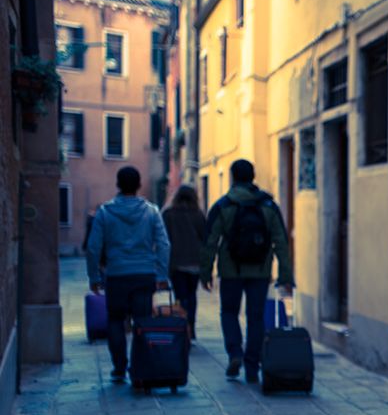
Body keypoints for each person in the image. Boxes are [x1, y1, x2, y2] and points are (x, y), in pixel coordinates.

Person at [200, 159, 293, 383]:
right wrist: (285, 275)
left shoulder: (223, 205)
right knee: (256, 317)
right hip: (260, 271)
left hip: (230, 271)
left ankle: (235, 353)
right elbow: (281, 241)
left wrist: (205, 273)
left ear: (232, 177)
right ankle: (252, 366)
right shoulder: (269, 206)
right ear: (253, 177)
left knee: (229, 313)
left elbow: (210, 241)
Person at [86, 166, 171, 382]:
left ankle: (119, 368)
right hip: (144, 275)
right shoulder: (151, 211)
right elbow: (164, 244)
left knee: (115, 321)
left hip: (116, 275)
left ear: (118, 184)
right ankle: (139, 365)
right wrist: (161, 275)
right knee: (142, 322)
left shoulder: (105, 212)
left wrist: (94, 277)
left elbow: (93, 247)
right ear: (139, 185)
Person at [162, 185, 207, 339]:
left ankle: (182, 328)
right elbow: (205, 238)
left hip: (176, 262)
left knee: (180, 297)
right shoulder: (198, 214)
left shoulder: (168, 214)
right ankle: (191, 328)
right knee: (191, 295)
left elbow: (163, 240)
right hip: (195, 262)